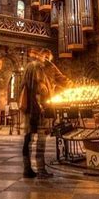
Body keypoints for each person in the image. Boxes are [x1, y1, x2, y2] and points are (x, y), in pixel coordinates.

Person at [19, 48, 67, 179]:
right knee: (41, 140)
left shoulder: (28, 67)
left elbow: (23, 86)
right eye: (48, 58)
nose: (49, 62)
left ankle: (27, 169)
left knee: (28, 139)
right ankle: (41, 170)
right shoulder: (38, 67)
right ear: (46, 56)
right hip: (40, 110)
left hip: (29, 109)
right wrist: (43, 107)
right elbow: (41, 89)